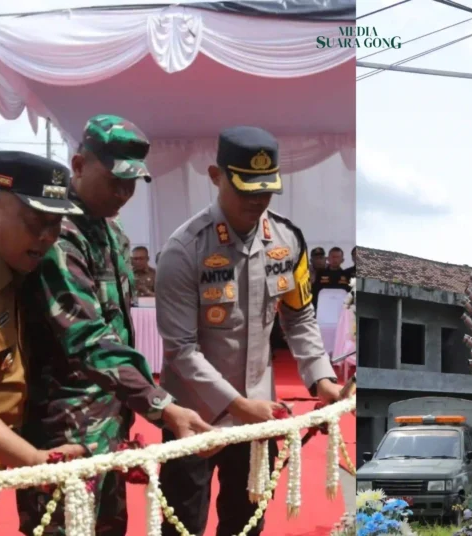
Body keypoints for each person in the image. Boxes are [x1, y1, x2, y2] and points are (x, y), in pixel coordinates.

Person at [17, 115, 215, 535]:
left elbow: (118, 330)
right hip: (65, 427)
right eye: (114, 181)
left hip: (111, 421)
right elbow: (87, 338)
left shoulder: (112, 231)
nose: (124, 193)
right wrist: (161, 405)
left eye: (132, 183)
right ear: (78, 165)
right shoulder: (59, 236)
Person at [155, 126, 344, 536]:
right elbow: (180, 350)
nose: (257, 199)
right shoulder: (185, 250)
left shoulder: (287, 240)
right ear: (215, 175)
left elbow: (298, 316)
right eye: (245, 188)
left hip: (258, 416)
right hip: (194, 415)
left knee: (247, 523)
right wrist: (237, 405)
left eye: (267, 189)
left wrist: (322, 378)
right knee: (182, 524)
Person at [0, 151, 95, 535]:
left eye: (55, 225)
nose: (47, 238)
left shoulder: (14, 270)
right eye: (35, 223)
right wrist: (32, 459)